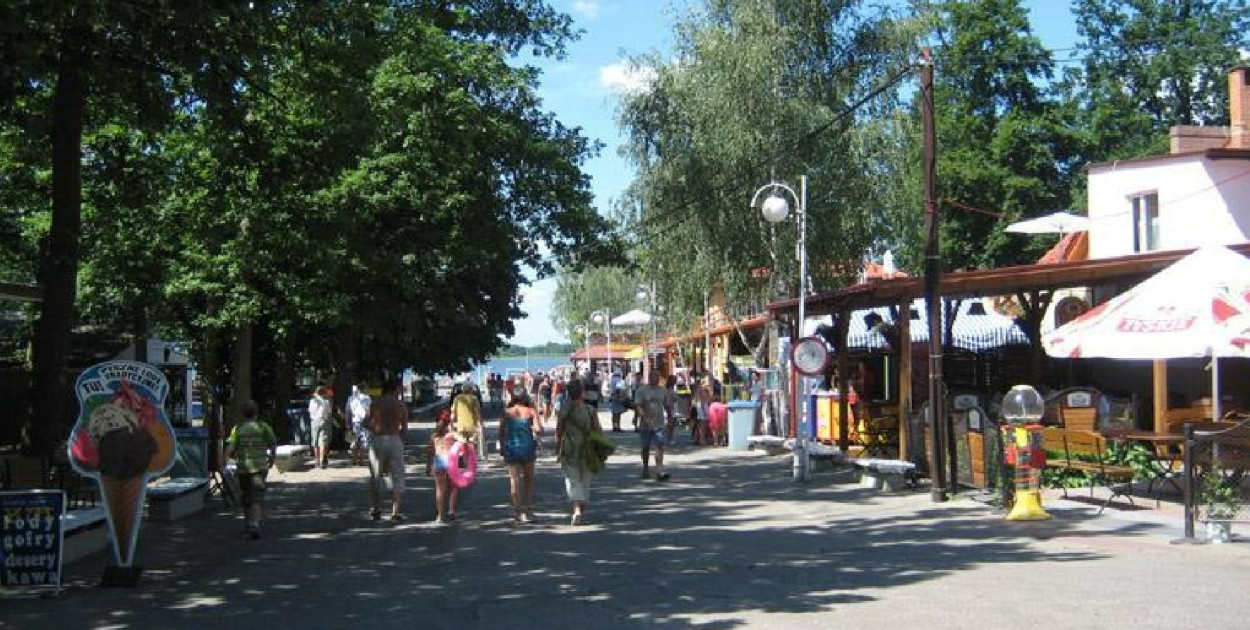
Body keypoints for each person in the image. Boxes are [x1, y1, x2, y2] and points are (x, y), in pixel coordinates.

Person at [224, 400, 277, 539]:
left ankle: (248, 522)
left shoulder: (238, 429)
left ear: (242, 414)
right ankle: (254, 524)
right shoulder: (263, 427)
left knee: (246, 495)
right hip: (260, 467)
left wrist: (225, 459)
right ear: (256, 413)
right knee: (256, 497)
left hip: (243, 468)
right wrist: (272, 458)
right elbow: (273, 443)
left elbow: (230, 447)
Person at [556, 377, 602, 525]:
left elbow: (559, 431)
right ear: (582, 393)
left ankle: (576, 509)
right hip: (587, 448)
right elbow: (598, 430)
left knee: (573, 480)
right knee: (585, 480)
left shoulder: (564, 409)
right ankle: (580, 509)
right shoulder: (590, 410)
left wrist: (558, 447)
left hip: (569, 448)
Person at [366, 379, 408, 521]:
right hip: (394, 439)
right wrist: (399, 439)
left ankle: (376, 508)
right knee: (397, 476)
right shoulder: (400, 405)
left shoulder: (375, 403)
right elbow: (404, 428)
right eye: (400, 388)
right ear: (395, 389)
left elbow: (368, 423)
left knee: (376, 475)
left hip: (378, 439)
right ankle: (395, 512)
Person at [498, 385, 541, 522]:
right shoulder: (531, 411)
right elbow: (538, 429)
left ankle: (517, 511)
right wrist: (532, 426)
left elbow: (501, 432)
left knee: (514, 480)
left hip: (511, 447)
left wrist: (502, 448)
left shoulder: (506, 412)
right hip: (527, 447)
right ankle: (528, 510)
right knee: (529, 480)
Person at [633, 370, 673, 481]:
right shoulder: (642, 390)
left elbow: (667, 405)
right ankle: (645, 466)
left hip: (659, 423)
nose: (654, 378)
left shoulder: (663, 390)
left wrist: (670, 417)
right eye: (652, 376)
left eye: (656, 376)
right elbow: (638, 405)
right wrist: (642, 417)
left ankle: (659, 470)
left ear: (659, 378)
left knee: (659, 445)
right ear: (649, 377)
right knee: (645, 447)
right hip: (645, 424)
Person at [425, 415, 460, 524]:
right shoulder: (451, 435)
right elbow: (463, 442)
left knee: (440, 490)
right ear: (448, 424)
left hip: (438, 461)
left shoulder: (434, 436)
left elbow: (430, 453)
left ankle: (440, 516)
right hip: (450, 461)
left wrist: (428, 466)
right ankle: (452, 510)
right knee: (453, 487)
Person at [451, 383, 485, 462]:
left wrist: (452, 423)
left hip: (460, 425)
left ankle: (464, 459)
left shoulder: (457, 398)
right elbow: (477, 412)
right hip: (471, 425)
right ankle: (471, 460)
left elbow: (453, 412)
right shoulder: (474, 398)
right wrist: (480, 423)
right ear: (471, 390)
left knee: (462, 442)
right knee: (472, 443)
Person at [307, 385, 334, 469]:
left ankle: (317, 460)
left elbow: (309, 411)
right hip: (323, 421)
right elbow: (329, 412)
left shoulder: (312, 401)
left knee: (315, 442)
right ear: (324, 393)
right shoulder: (326, 402)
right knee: (323, 442)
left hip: (314, 422)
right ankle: (322, 460)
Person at [347, 383, 372, 466]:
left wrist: (348, 423)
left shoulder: (351, 398)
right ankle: (361, 460)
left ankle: (354, 459)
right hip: (364, 421)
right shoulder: (367, 398)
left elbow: (348, 411)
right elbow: (369, 411)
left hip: (354, 421)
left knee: (354, 440)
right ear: (364, 389)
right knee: (363, 440)